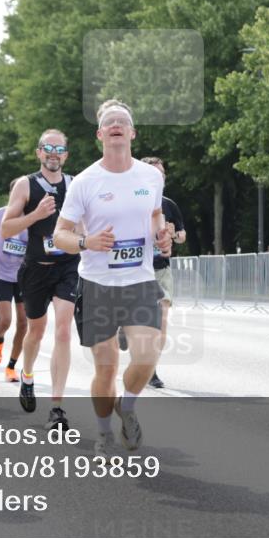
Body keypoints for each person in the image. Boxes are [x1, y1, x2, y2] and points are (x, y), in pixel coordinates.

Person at [53, 99, 172, 458]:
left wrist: (161, 233)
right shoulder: (86, 182)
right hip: (97, 284)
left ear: (132, 133)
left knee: (147, 356)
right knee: (106, 369)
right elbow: (60, 235)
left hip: (139, 281)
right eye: (110, 122)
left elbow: (155, 214)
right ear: (100, 134)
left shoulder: (151, 176)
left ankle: (129, 407)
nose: (117, 125)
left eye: (123, 121)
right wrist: (87, 241)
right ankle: (104, 431)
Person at [1, 128, 80, 431]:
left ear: (66, 155)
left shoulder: (76, 185)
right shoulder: (25, 185)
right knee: (36, 330)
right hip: (35, 268)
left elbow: (88, 221)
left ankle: (57, 407)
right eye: (48, 148)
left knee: (62, 331)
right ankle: (28, 374)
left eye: (59, 149)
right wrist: (35, 215)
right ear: (38, 153)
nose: (53, 154)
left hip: (67, 267)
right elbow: (6, 229)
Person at [141, 156, 186, 389]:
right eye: (154, 173)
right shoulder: (133, 202)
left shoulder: (169, 204)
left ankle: (151, 371)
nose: (159, 177)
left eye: (162, 174)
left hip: (161, 270)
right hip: (137, 271)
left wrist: (173, 235)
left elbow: (182, 234)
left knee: (162, 321)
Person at [0, 179, 29, 382]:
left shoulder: (32, 218)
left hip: (25, 276)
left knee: (23, 322)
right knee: (6, 321)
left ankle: (11, 366)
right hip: (2, 274)